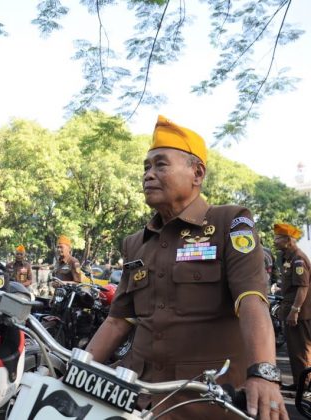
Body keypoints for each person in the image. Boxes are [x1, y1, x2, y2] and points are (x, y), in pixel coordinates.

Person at [85, 115, 286, 419]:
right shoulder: (136, 242)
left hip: (205, 398)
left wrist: (263, 373)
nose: (148, 175)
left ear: (197, 173)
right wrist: (78, 369)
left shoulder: (229, 222)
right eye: (146, 167)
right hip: (139, 396)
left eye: (161, 165)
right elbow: (118, 321)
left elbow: (251, 301)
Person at [273, 223, 311, 392]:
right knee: (295, 350)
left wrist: (295, 311)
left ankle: (305, 386)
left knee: (301, 350)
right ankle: (299, 382)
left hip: (300, 314)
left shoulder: (298, 259)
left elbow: (303, 287)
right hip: (292, 310)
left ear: (288, 240)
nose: (274, 241)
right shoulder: (289, 258)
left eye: (278, 238)